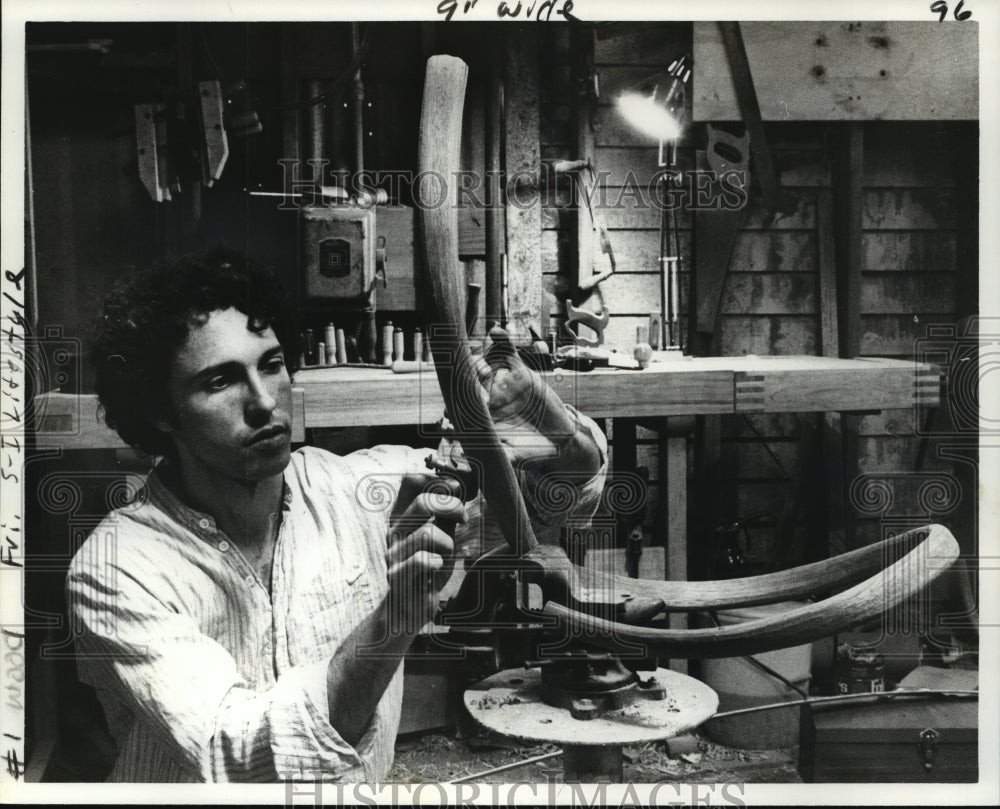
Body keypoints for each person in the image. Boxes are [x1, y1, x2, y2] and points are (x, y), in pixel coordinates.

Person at [67, 247, 607, 782]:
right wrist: (393, 619)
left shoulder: (361, 493)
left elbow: (554, 497)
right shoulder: (117, 569)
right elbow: (236, 752)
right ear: (159, 412)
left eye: (272, 365)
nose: (264, 402)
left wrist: (543, 415)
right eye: (220, 381)